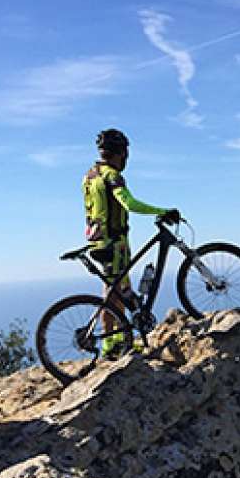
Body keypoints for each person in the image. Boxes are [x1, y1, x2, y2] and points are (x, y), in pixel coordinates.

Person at [83, 128, 179, 356]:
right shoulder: (112, 176)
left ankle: (119, 341)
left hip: (97, 241)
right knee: (116, 292)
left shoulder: (90, 175)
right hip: (115, 242)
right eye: (125, 153)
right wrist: (162, 210)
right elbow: (129, 204)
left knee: (115, 291)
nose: (126, 158)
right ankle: (110, 345)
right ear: (120, 153)